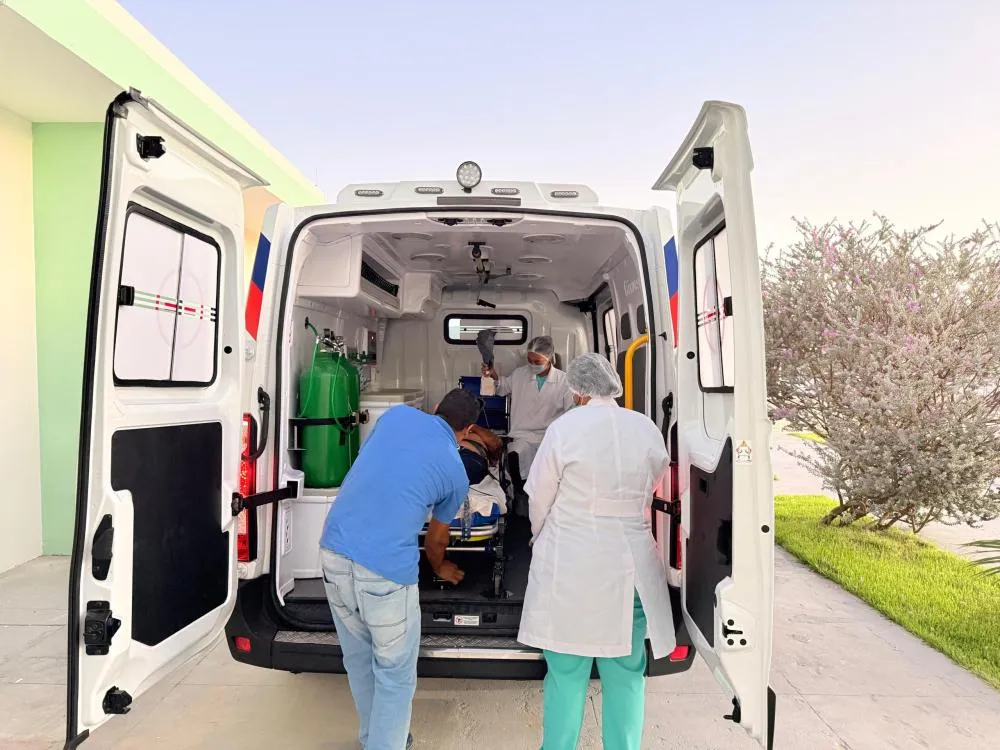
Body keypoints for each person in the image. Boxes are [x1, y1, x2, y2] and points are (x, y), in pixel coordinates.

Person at [517, 353, 676, 750]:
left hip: (570, 563)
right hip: (631, 565)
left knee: (566, 674)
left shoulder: (564, 429)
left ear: (576, 390)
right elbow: (659, 481)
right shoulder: (645, 428)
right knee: (626, 674)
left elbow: (540, 496)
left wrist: (541, 535)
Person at [318, 389, 480, 750]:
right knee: (394, 673)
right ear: (467, 431)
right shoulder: (455, 471)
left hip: (333, 549)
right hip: (385, 571)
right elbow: (436, 542)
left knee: (359, 661)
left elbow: (379, 467)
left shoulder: (395, 416)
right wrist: (441, 569)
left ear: (436, 408)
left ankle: (375, 739)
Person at [480, 335, 575, 498]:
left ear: (550, 357)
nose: (532, 365)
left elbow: (571, 413)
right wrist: (493, 375)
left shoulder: (564, 381)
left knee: (549, 475)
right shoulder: (520, 374)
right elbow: (502, 388)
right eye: (529, 360)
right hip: (521, 435)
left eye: (537, 362)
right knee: (516, 456)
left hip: (549, 437)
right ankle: (519, 494)